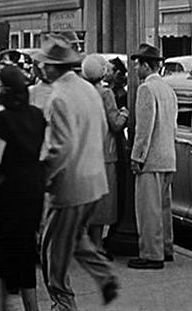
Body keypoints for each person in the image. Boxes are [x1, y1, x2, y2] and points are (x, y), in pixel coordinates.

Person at [35, 35, 118, 310]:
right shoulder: (89, 91)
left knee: (52, 252)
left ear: (52, 67)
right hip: (94, 180)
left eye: (45, 64)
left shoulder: (59, 97)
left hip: (71, 184)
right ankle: (104, 276)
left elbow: (60, 148)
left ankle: (63, 304)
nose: (41, 68)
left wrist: (44, 177)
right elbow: (104, 130)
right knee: (74, 237)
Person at [0, 66, 46, 311]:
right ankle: (32, 307)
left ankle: (5, 305)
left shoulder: (2, 118)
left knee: (4, 252)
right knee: (26, 249)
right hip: (34, 188)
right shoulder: (37, 115)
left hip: (9, 191)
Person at [128, 44, 178, 270]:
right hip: (168, 156)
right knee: (164, 208)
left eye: (138, 64)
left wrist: (137, 156)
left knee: (148, 209)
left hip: (152, 159)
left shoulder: (146, 90)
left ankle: (151, 253)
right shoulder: (168, 89)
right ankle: (166, 248)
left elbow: (144, 128)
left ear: (147, 65)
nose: (136, 68)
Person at [81, 54, 128, 254]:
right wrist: (124, 113)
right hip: (104, 153)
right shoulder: (105, 94)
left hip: (83, 152)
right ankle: (97, 244)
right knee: (102, 201)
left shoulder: (80, 91)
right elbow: (115, 124)